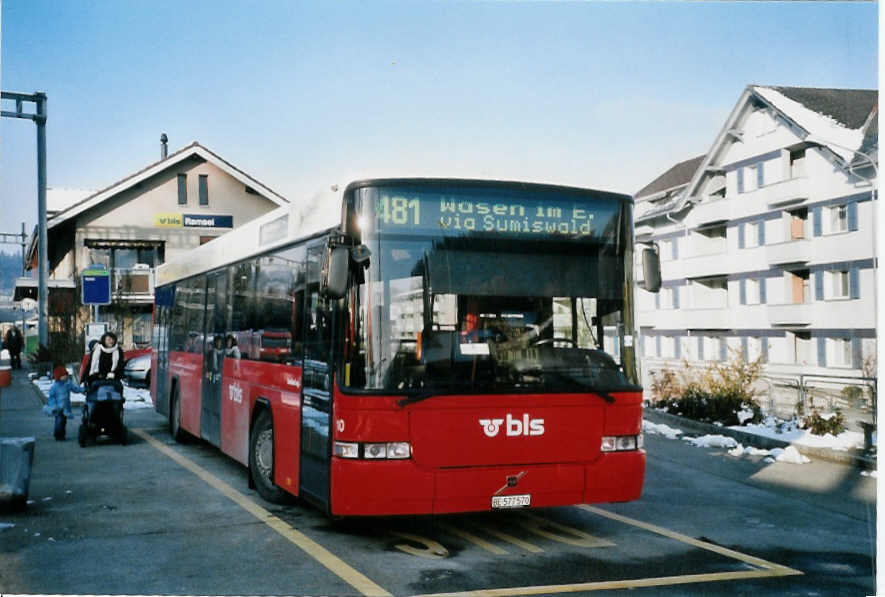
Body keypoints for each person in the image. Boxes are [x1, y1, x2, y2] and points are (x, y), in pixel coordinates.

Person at [45, 365, 85, 441]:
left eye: (66, 375)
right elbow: (52, 397)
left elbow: (75, 389)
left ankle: (62, 434)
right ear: (58, 377)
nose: (65, 377)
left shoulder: (68, 384)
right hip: (58, 407)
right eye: (63, 376)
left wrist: (83, 389)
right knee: (59, 421)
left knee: (63, 422)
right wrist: (53, 405)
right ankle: (58, 434)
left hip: (66, 407)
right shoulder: (55, 387)